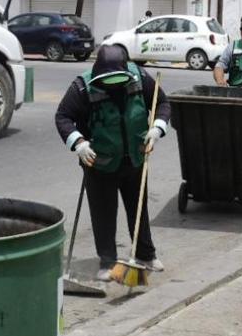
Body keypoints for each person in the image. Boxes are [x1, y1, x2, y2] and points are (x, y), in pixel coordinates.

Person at [55, 45, 171, 281]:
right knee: (103, 212)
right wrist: (78, 143)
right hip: (98, 161)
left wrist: (157, 128)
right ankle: (107, 261)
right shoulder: (82, 86)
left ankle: (145, 255)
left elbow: (163, 104)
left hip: (135, 157)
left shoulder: (140, 78)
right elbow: (63, 116)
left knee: (138, 209)